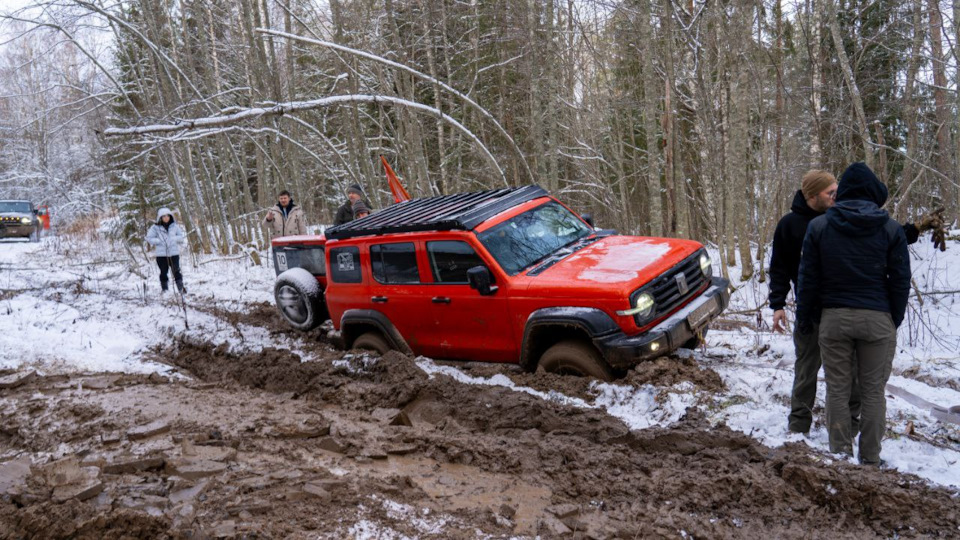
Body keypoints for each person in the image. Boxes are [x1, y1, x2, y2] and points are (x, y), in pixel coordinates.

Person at [770, 170, 934, 434]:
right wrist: (778, 304)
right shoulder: (790, 225)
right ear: (812, 195)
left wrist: (913, 230)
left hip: (841, 308)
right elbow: (778, 267)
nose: (837, 196)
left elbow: (875, 236)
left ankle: (850, 425)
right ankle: (799, 424)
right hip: (810, 311)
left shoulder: (840, 218)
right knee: (806, 370)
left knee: (854, 376)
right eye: (830, 192)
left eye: (837, 190)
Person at [796, 162, 911, 466]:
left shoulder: (819, 227)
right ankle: (871, 459)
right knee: (873, 392)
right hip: (877, 319)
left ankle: (841, 457)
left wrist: (804, 318)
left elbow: (808, 280)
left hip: (834, 319)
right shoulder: (891, 229)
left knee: (837, 388)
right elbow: (900, 281)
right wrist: (892, 319)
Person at [146, 208, 187, 294]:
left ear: (170, 216)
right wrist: (159, 241)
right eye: (163, 216)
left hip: (174, 254)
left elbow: (181, 237)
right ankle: (165, 290)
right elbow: (149, 238)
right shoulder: (155, 227)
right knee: (163, 272)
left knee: (176, 271)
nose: (166, 218)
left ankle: (181, 289)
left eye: (168, 216)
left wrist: (173, 239)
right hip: (161, 255)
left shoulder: (174, 226)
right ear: (160, 217)